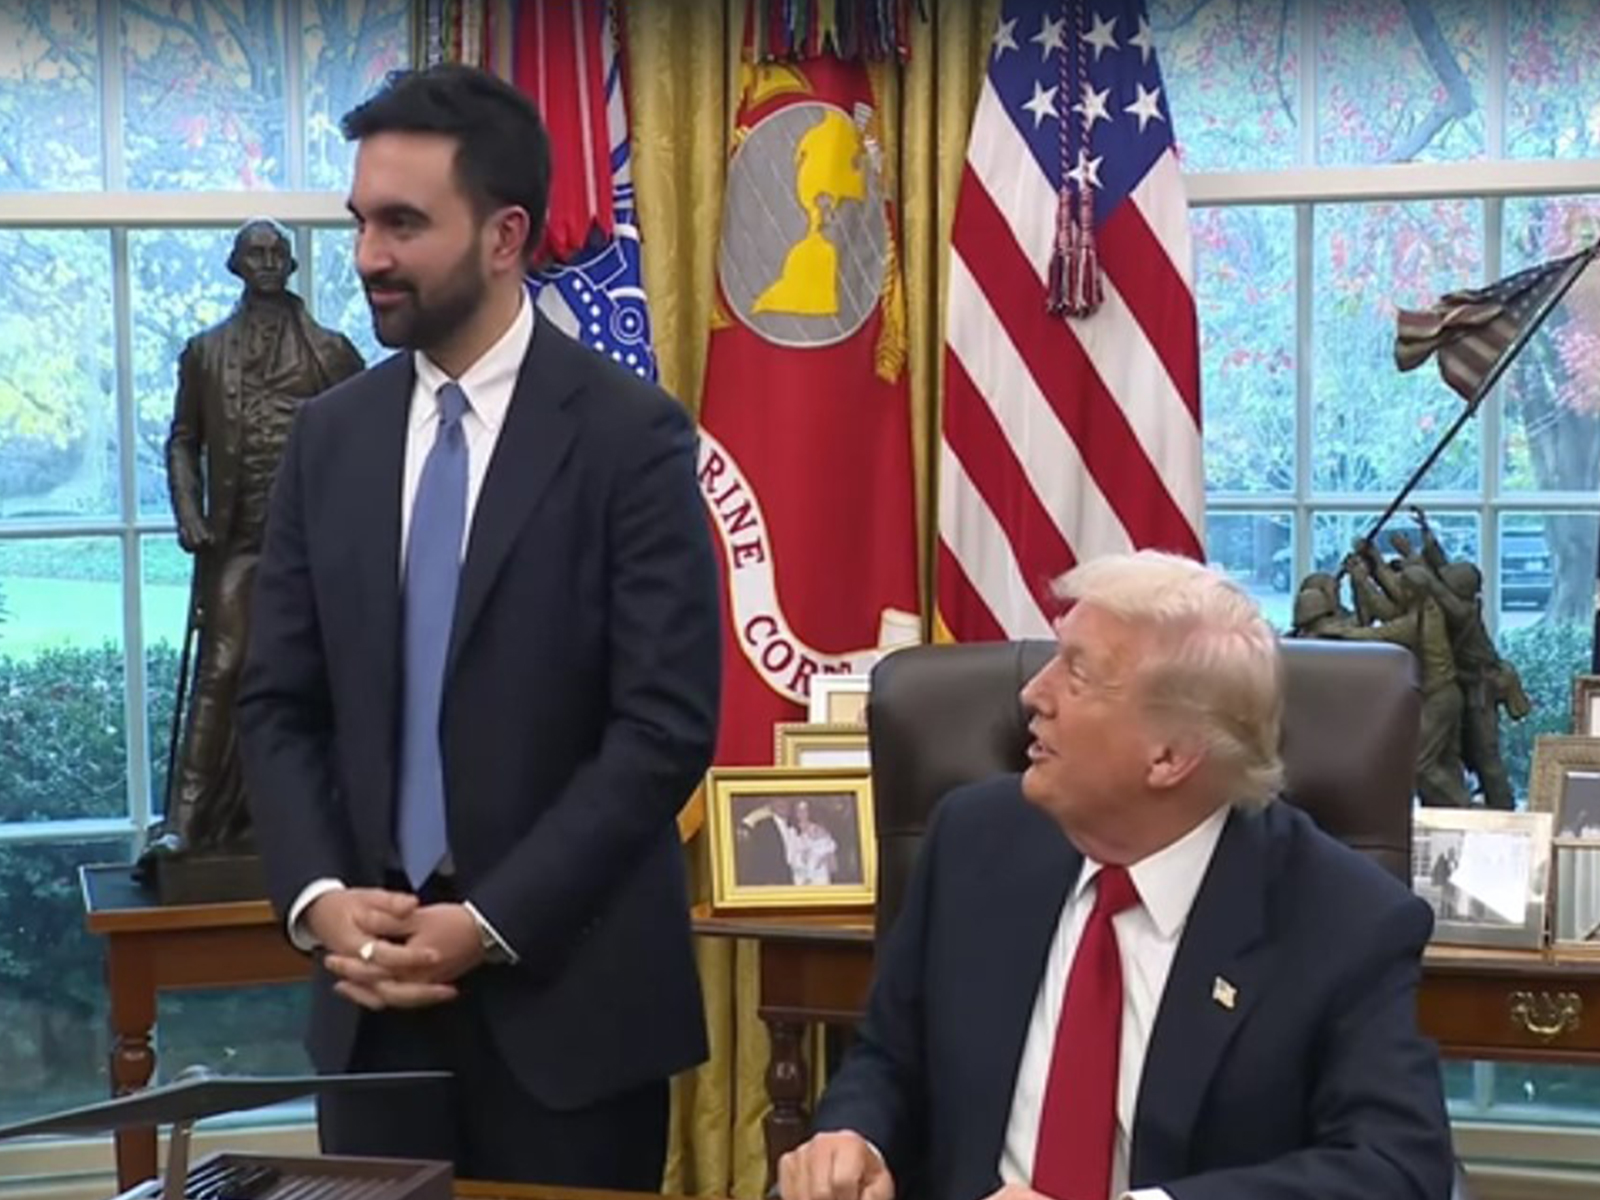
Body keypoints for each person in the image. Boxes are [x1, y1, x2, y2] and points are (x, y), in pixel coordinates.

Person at [236, 64, 720, 1186]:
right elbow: (277, 703)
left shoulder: (631, 438)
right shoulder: (330, 439)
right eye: (359, 220)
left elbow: (662, 727)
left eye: (404, 224)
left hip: (570, 1014)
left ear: (506, 237)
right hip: (370, 1016)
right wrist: (318, 904)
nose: (366, 256)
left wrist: (489, 921)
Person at [779, 551, 1452, 1200]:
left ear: (1169, 756)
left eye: (1076, 674)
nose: (1030, 694)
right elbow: (891, 1060)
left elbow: (1392, 1168)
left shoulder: (1342, 918)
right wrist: (855, 1139)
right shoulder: (974, 840)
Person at [155, 218, 364, 856]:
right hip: (238, 540)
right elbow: (183, 441)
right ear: (236, 264)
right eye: (257, 254)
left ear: (292, 265)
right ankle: (185, 827)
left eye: (278, 253)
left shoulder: (332, 352)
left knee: (326, 675)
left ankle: (326, 819)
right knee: (222, 668)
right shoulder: (205, 351)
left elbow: (369, 444)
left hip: (315, 546)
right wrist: (189, 510)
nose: (269, 263)